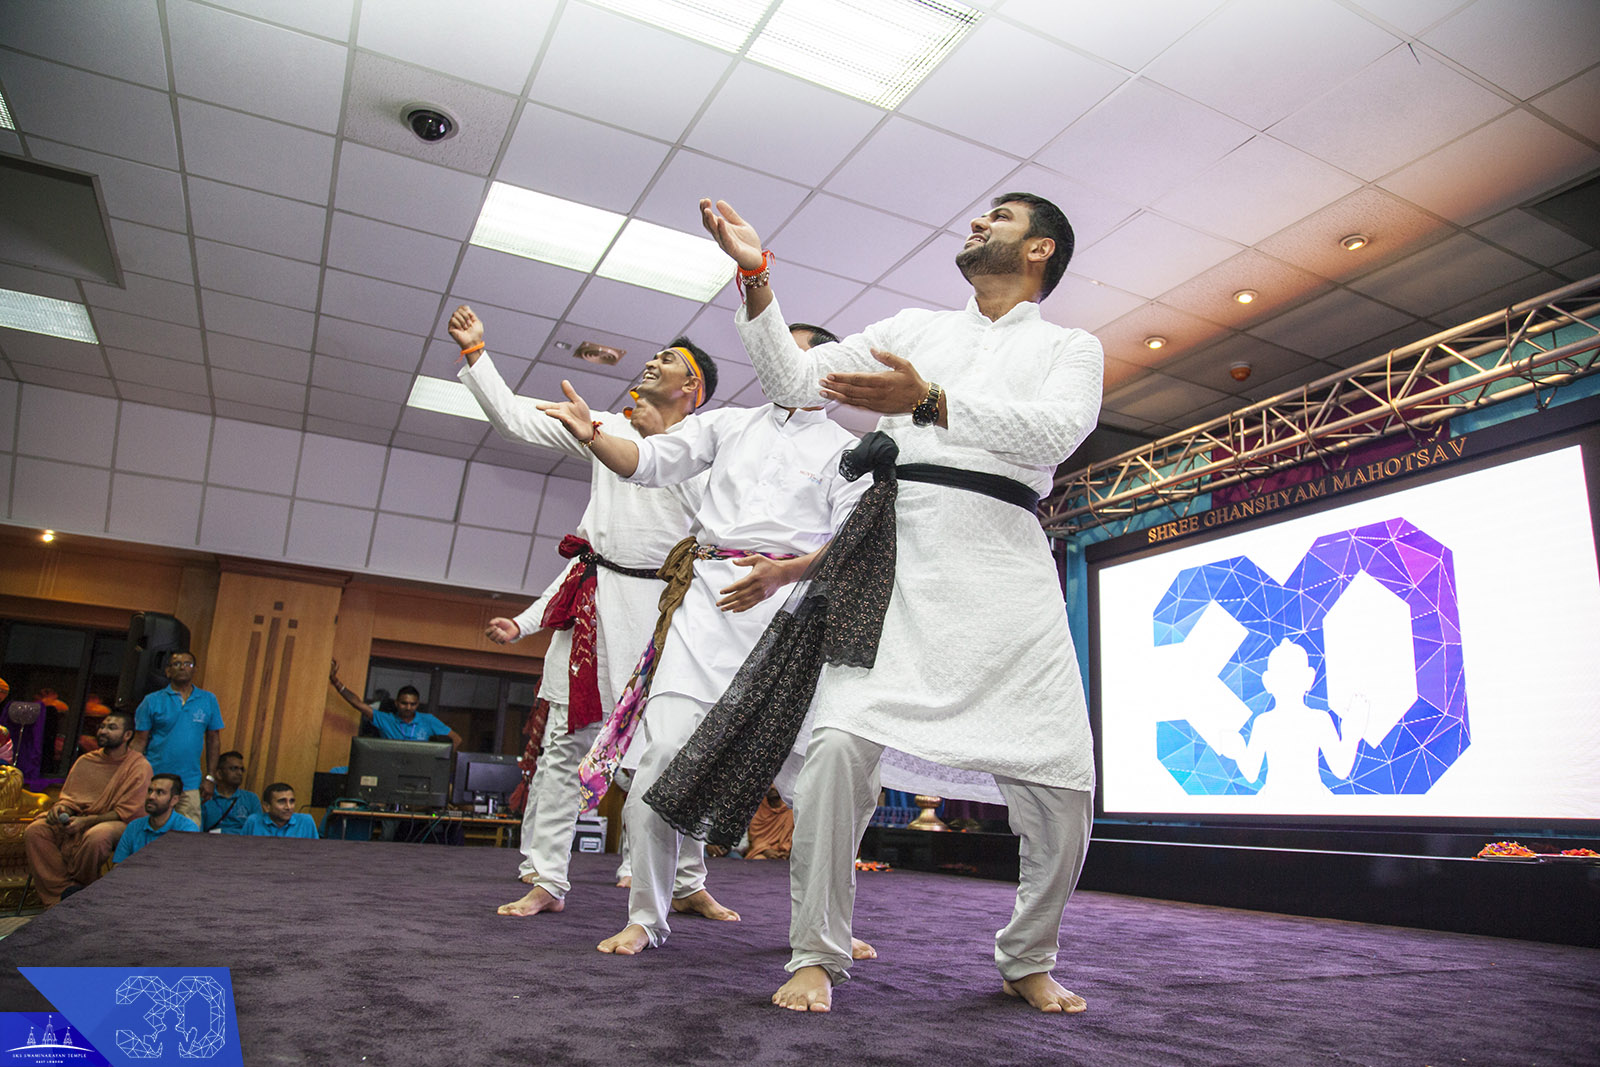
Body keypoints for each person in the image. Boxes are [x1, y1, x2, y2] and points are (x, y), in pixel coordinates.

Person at [696, 192, 1103, 1013]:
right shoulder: (916, 327)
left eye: (1003, 217)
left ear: (1041, 251)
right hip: (897, 561)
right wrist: (755, 275)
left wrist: (929, 403)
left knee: (1063, 783)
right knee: (839, 753)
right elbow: (795, 378)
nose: (978, 222)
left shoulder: (1072, 346)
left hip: (1008, 568)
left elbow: (1054, 435)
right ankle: (816, 950)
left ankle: (1027, 954)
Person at [538, 323, 869, 958]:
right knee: (660, 761)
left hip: (793, 617)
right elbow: (648, 462)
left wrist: (786, 572)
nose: (779, 357)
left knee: (819, 785)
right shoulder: (728, 425)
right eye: (777, 346)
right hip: (706, 607)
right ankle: (646, 916)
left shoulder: (847, 448)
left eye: (797, 350)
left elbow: (853, 540)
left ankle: (825, 927)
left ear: (828, 372)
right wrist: (594, 436)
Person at [447, 303, 716, 920]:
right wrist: (476, 356)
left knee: (676, 749)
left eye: (668, 361)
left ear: (691, 390)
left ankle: (686, 879)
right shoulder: (600, 425)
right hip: (595, 607)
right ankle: (545, 878)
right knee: (564, 749)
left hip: (669, 612)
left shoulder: (708, 446)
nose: (653, 361)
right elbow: (516, 418)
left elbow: (720, 523)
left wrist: (653, 443)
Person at [23, 709, 152, 905]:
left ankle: (79, 892)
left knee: (97, 837)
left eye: (111, 727)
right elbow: (69, 798)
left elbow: (128, 812)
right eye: (102, 727)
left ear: (127, 735)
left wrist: (85, 822)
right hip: (77, 818)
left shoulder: (138, 766)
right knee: (36, 831)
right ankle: (65, 893)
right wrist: (62, 809)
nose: (103, 731)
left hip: (116, 821)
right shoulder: (86, 760)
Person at [131, 650, 222, 825]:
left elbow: (214, 740)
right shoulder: (151, 700)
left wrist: (210, 777)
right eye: (177, 664)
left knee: (187, 836)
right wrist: (133, 776)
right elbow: (139, 741)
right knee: (147, 831)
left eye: (188, 664)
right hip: (153, 779)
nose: (183, 667)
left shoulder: (208, 699)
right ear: (168, 671)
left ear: (195, 670)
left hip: (189, 783)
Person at [328, 669, 462, 749]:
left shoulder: (428, 720)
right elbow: (358, 703)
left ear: (417, 704)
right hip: (388, 769)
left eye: (413, 704)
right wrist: (336, 682)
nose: (408, 707)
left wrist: (440, 764)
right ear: (397, 703)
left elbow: (456, 740)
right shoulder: (386, 719)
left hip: (419, 771)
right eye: (404, 703)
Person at [112, 773, 200, 863]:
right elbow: (118, 866)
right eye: (150, 791)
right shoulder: (133, 827)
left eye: (159, 792)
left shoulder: (187, 829)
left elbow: (186, 869)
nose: (151, 797)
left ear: (174, 800)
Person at [200, 751, 259, 834]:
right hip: (211, 843)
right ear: (219, 774)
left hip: (244, 843)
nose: (239, 773)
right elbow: (198, 831)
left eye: (242, 769)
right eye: (234, 768)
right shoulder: (205, 797)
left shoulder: (251, 798)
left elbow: (256, 830)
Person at [241, 783, 319, 839]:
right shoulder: (253, 821)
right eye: (282, 802)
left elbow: (315, 853)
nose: (288, 807)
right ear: (266, 806)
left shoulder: (306, 821)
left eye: (291, 801)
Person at [743, 786, 794, 861]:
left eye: (777, 784)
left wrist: (789, 852)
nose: (773, 787)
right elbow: (756, 839)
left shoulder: (791, 810)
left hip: (787, 853)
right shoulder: (758, 810)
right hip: (762, 852)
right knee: (759, 859)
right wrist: (766, 851)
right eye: (769, 783)